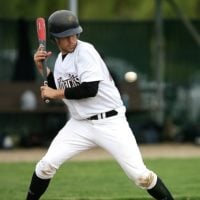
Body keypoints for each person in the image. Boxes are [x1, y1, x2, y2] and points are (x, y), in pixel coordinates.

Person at [26, 10, 174, 200]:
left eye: (74, 34)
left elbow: (89, 89)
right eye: (66, 37)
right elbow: (60, 87)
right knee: (45, 166)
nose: (72, 40)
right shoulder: (62, 61)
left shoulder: (85, 51)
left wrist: (55, 93)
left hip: (110, 122)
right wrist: (43, 70)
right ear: (55, 39)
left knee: (140, 176)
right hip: (79, 125)